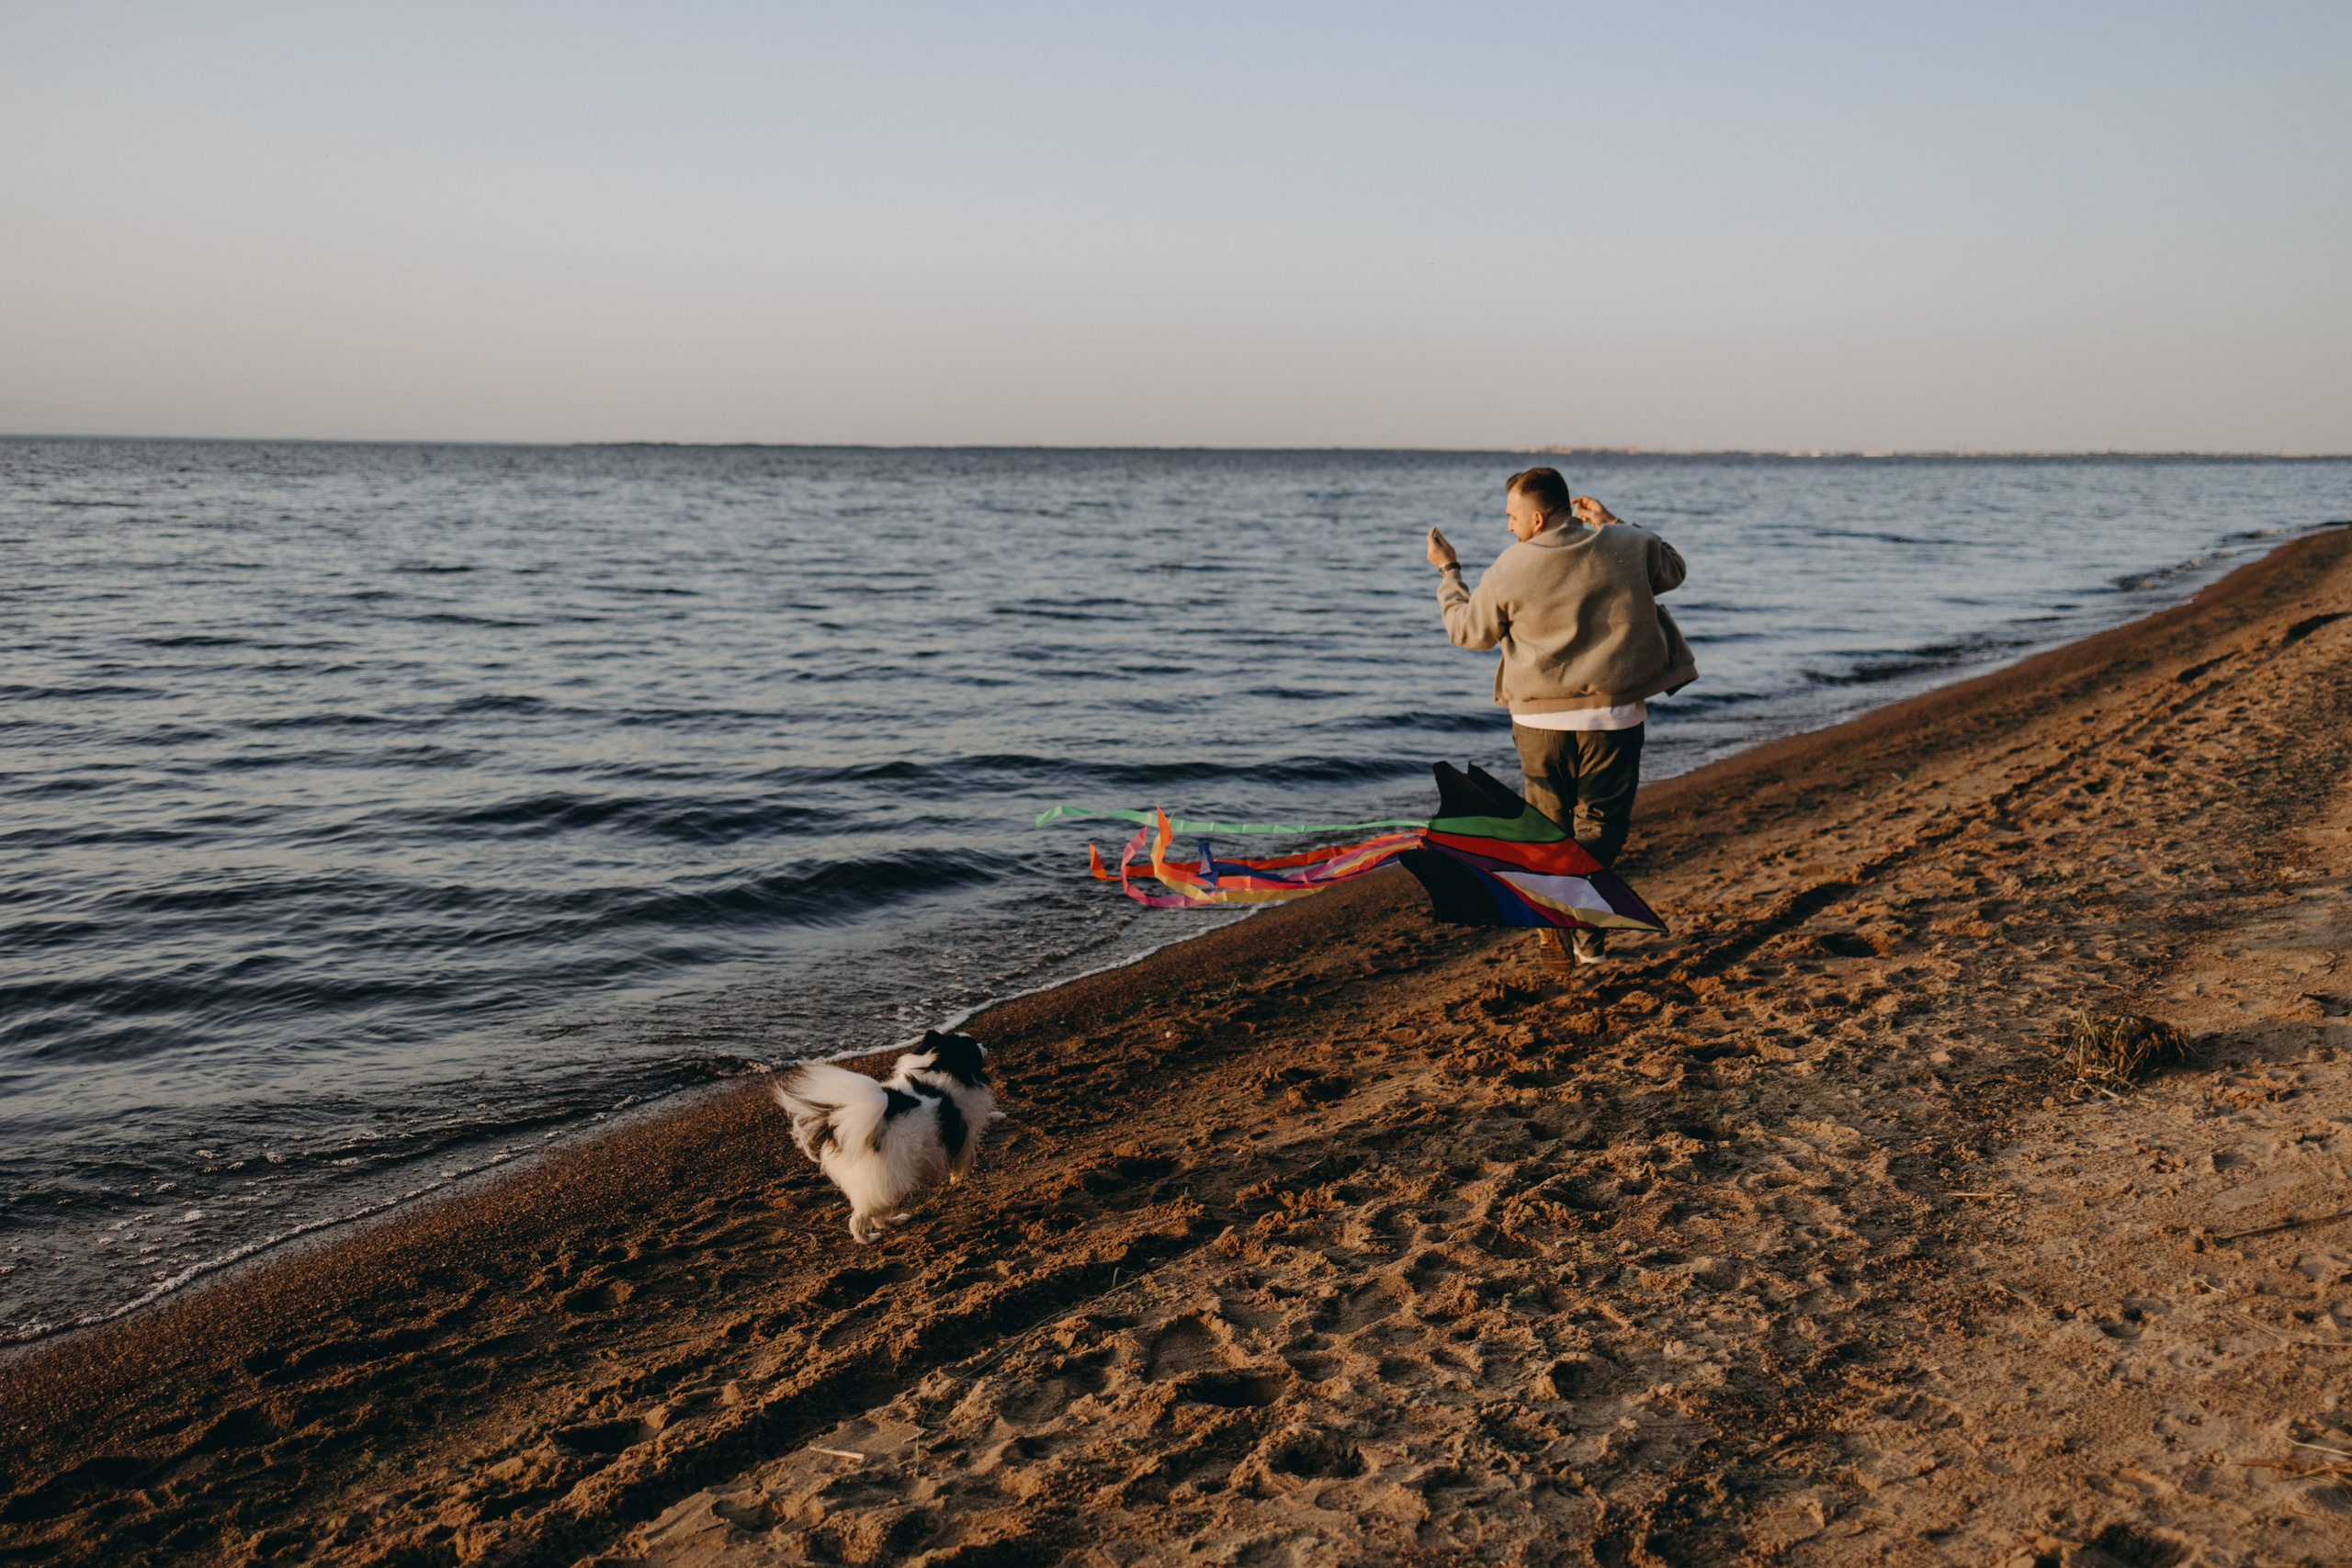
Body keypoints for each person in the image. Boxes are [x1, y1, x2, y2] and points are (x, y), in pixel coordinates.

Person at [1426, 466, 1694, 967]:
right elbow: (1673, 570)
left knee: (1551, 832)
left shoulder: (1510, 565)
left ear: (1537, 517)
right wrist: (1611, 521)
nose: (1508, 525)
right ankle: (1584, 938)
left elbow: (1468, 632)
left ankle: (1563, 916)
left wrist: (1449, 573)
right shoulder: (1626, 545)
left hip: (1538, 723)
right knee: (1602, 827)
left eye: (1512, 516)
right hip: (1612, 717)